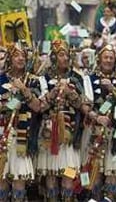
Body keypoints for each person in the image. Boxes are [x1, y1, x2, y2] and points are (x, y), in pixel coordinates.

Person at [36, 40, 84, 201]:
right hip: (49, 135)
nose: (65, 58)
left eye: (67, 55)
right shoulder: (43, 78)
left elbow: (83, 105)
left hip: (70, 135)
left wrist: (70, 93)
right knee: (50, 179)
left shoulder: (77, 77)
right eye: (61, 54)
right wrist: (55, 91)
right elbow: (39, 107)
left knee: (68, 178)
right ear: (54, 57)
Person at [81, 44, 116, 201]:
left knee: (113, 173)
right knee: (93, 172)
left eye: (111, 57)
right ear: (99, 59)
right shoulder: (88, 78)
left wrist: (113, 89)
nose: (108, 60)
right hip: (94, 132)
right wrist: (96, 117)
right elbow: (84, 105)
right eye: (105, 57)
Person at [0, 43, 41, 201]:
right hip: (2, 134)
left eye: (23, 55)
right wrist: (8, 103)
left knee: (19, 181)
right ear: (9, 58)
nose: (21, 58)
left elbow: (37, 107)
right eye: (17, 55)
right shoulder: (1, 78)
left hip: (23, 136)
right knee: (1, 180)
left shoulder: (32, 81)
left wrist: (23, 89)